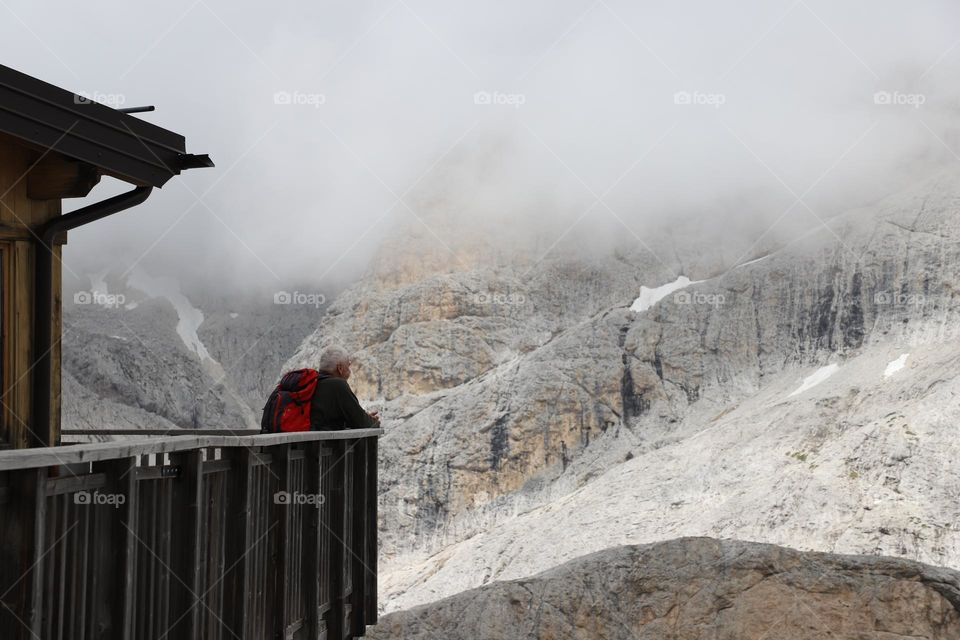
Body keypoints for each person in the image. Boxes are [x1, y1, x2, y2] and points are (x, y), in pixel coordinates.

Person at [310, 346, 380, 430]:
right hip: (326, 442)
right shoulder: (338, 385)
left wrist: (364, 417)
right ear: (340, 368)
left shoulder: (314, 382)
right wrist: (373, 421)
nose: (350, 370)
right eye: (348, 365)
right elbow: (363, 422)